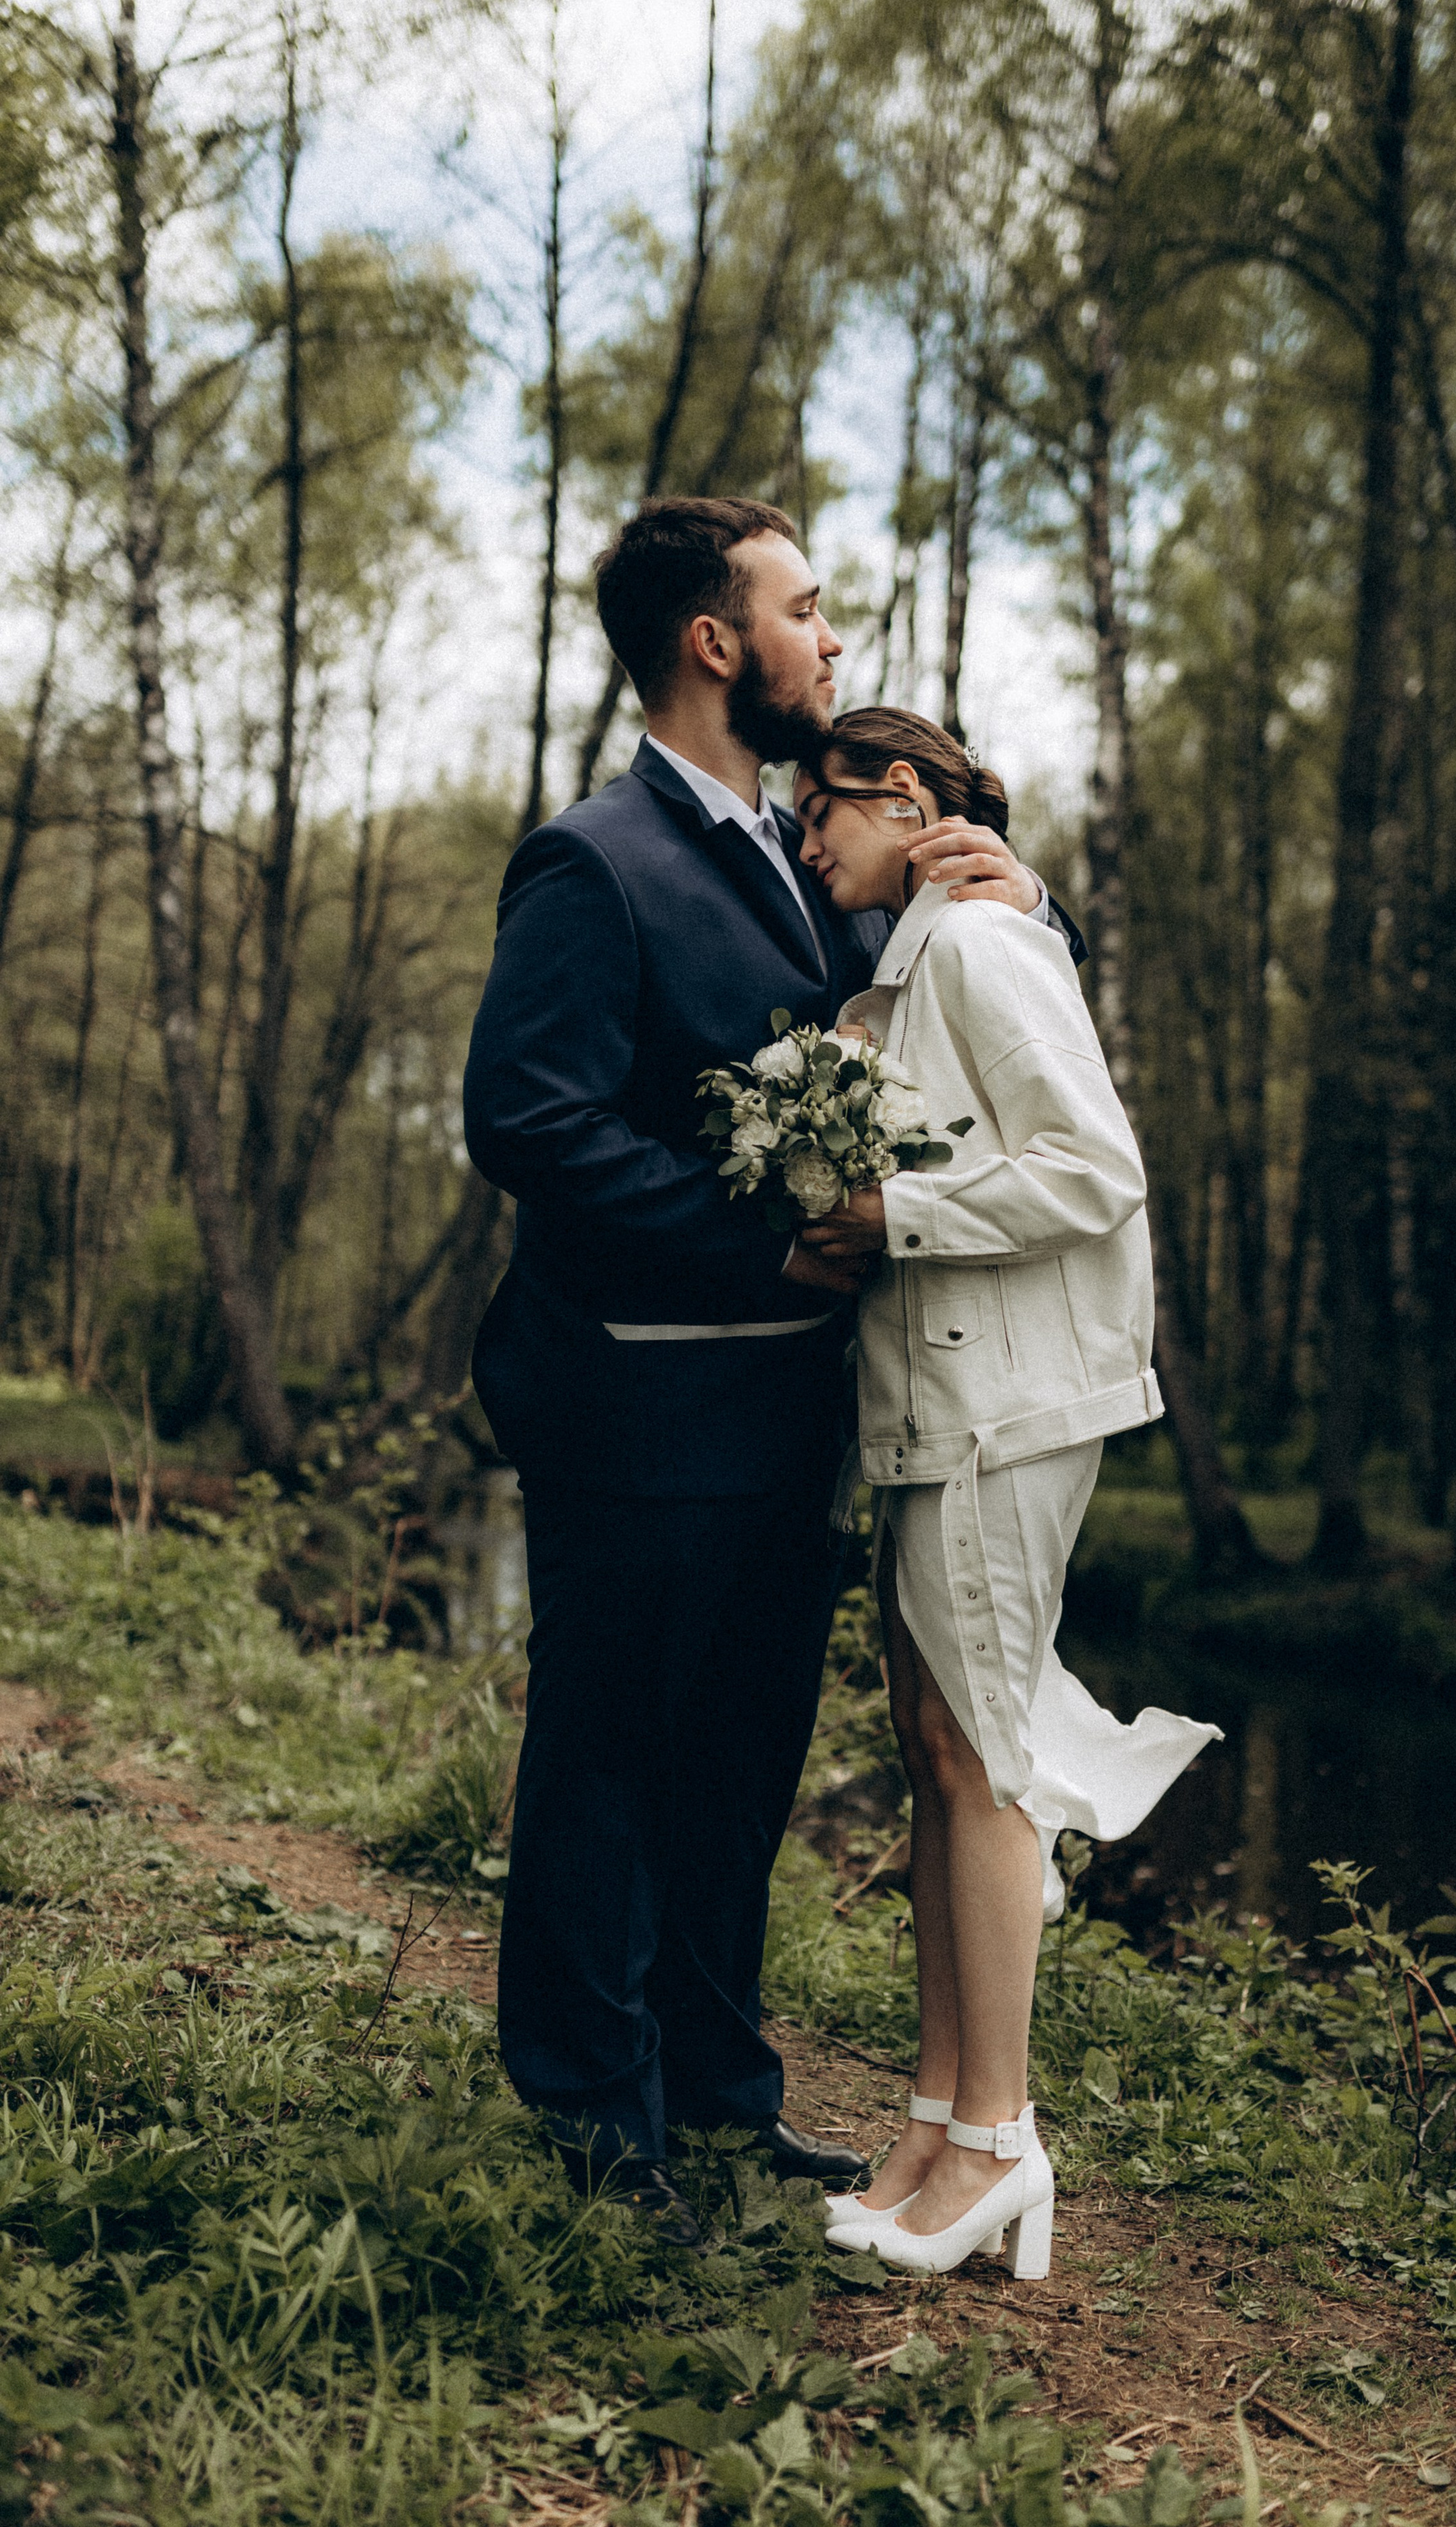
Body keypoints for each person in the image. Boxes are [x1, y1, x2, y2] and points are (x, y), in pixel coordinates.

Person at [461, 499, 1079, 2248]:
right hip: (632, 1401)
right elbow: (528, 1119)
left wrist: (1028, 898)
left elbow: (970, 1009)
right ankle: (593, 2115)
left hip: (795, 1416)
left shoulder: (808, 851)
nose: (831, 641)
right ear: (716, 642)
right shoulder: (597, 861)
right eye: (804, 611)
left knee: (737, 1762)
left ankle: (719, 2093)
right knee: (609, 1757)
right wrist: (755, 1247)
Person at [791, 708, 1219, 2282]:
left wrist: (883, 1211)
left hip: (1004, 1404)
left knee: (977, 1760)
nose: (804, 838)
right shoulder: (904, 971)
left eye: (818, 810)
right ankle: (927, 2121)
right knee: (932, 1749)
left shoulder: (975, 947)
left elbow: (1091, 1167)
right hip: (926, 1405)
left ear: (900, 799)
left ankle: (994, 2143)